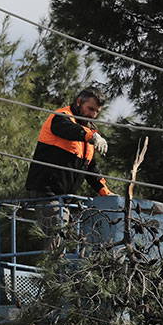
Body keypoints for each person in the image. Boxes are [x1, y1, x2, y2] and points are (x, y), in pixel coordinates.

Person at [24, 86, 116, 246]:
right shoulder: (61, 117)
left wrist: (105, 193)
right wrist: (91, 135)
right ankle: (54, 268)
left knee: (79, 237)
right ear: (79, 102)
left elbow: (91, 168)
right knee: (58, 232)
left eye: (97, 112)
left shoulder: (87, 132)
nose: (93, 115)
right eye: (90, 109)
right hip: (47, 193)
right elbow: (68, 129)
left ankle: (65, 268)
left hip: (66, 198)